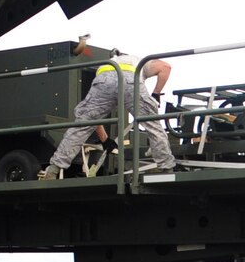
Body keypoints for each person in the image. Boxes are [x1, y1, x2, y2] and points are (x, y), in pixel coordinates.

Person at [40, 47, 174, 178]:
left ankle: (53, 170)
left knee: (82, 125)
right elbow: (165, 68)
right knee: (152, 124)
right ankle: (166, 168)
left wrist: (105, 140)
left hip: (102, 81)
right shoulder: (141, 61)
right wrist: (156, 94)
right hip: (130, 80)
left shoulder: (109, 62)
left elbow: (95, 118)